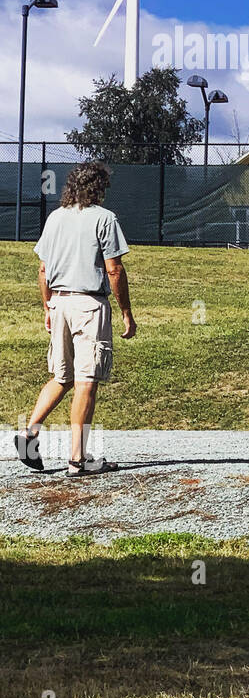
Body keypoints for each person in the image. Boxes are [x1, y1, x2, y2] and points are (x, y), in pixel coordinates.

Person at [14, 161, 136, 475]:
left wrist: (47, 307)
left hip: (59, 303)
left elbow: (42, 270)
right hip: (89, 306)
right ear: (98, 188)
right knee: (86, 381)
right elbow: (114, 269)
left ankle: (29, 434)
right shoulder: (105, 219)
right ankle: (76, 461)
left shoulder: (55, 218)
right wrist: (126, 314)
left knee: (61, 377)